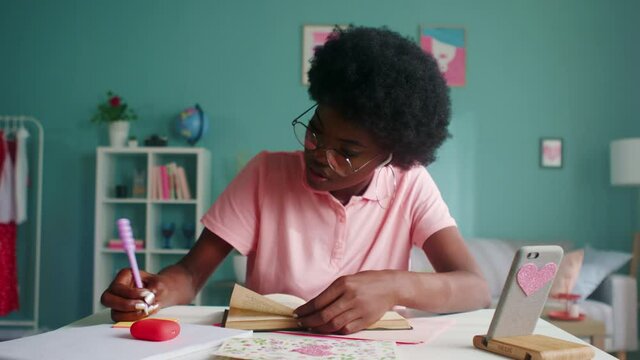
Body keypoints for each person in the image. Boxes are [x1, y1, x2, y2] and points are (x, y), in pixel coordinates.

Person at [101, 25, 490, 334]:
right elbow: (189, 274)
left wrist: (394, 286)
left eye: (348, 152)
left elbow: (475, 287)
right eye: (315, 131)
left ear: (391, 156)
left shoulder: (410, 184)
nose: (319, 154)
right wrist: (154, 291)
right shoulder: (264, 174)